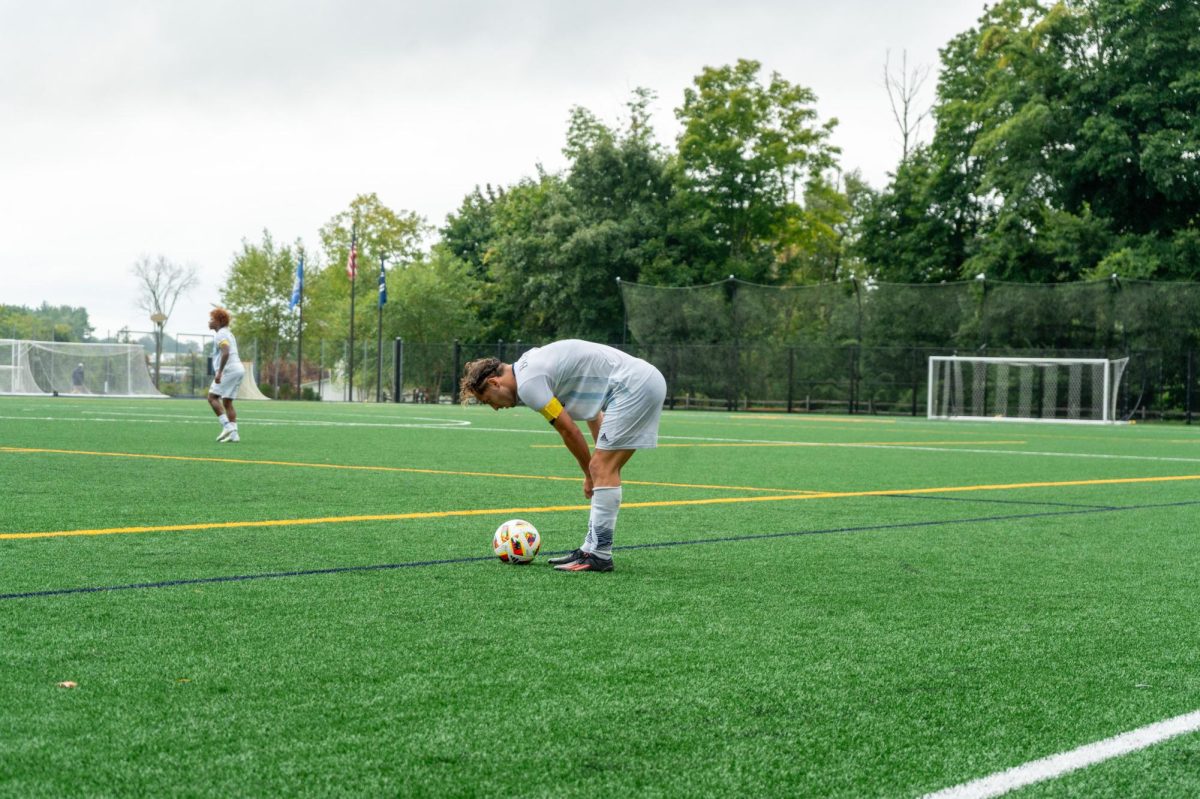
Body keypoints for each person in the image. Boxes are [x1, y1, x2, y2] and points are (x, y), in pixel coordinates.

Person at [459, 340, 666, 573]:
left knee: (600, 469)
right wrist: (599, 469)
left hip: (633, 386)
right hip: (641, 382)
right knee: (603, 469)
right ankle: (591, 549)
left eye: (488, 401)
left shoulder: (528, 384)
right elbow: (593, 411)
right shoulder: (532, 365)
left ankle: (599, 555)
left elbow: (569, 431)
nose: (495, 408)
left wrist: (591, 474)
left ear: (494, 382)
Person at [206, 308, 246, 443]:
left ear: (219, 321)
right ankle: (234, 435)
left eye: (212, 319)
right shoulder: (228, 333)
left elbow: (226, 352)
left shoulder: (220, 335)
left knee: (212, 398)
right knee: (227, 402)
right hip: (238, 369)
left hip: (229, 370)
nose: (209, 321)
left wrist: (219, 371)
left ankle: (227, 426)